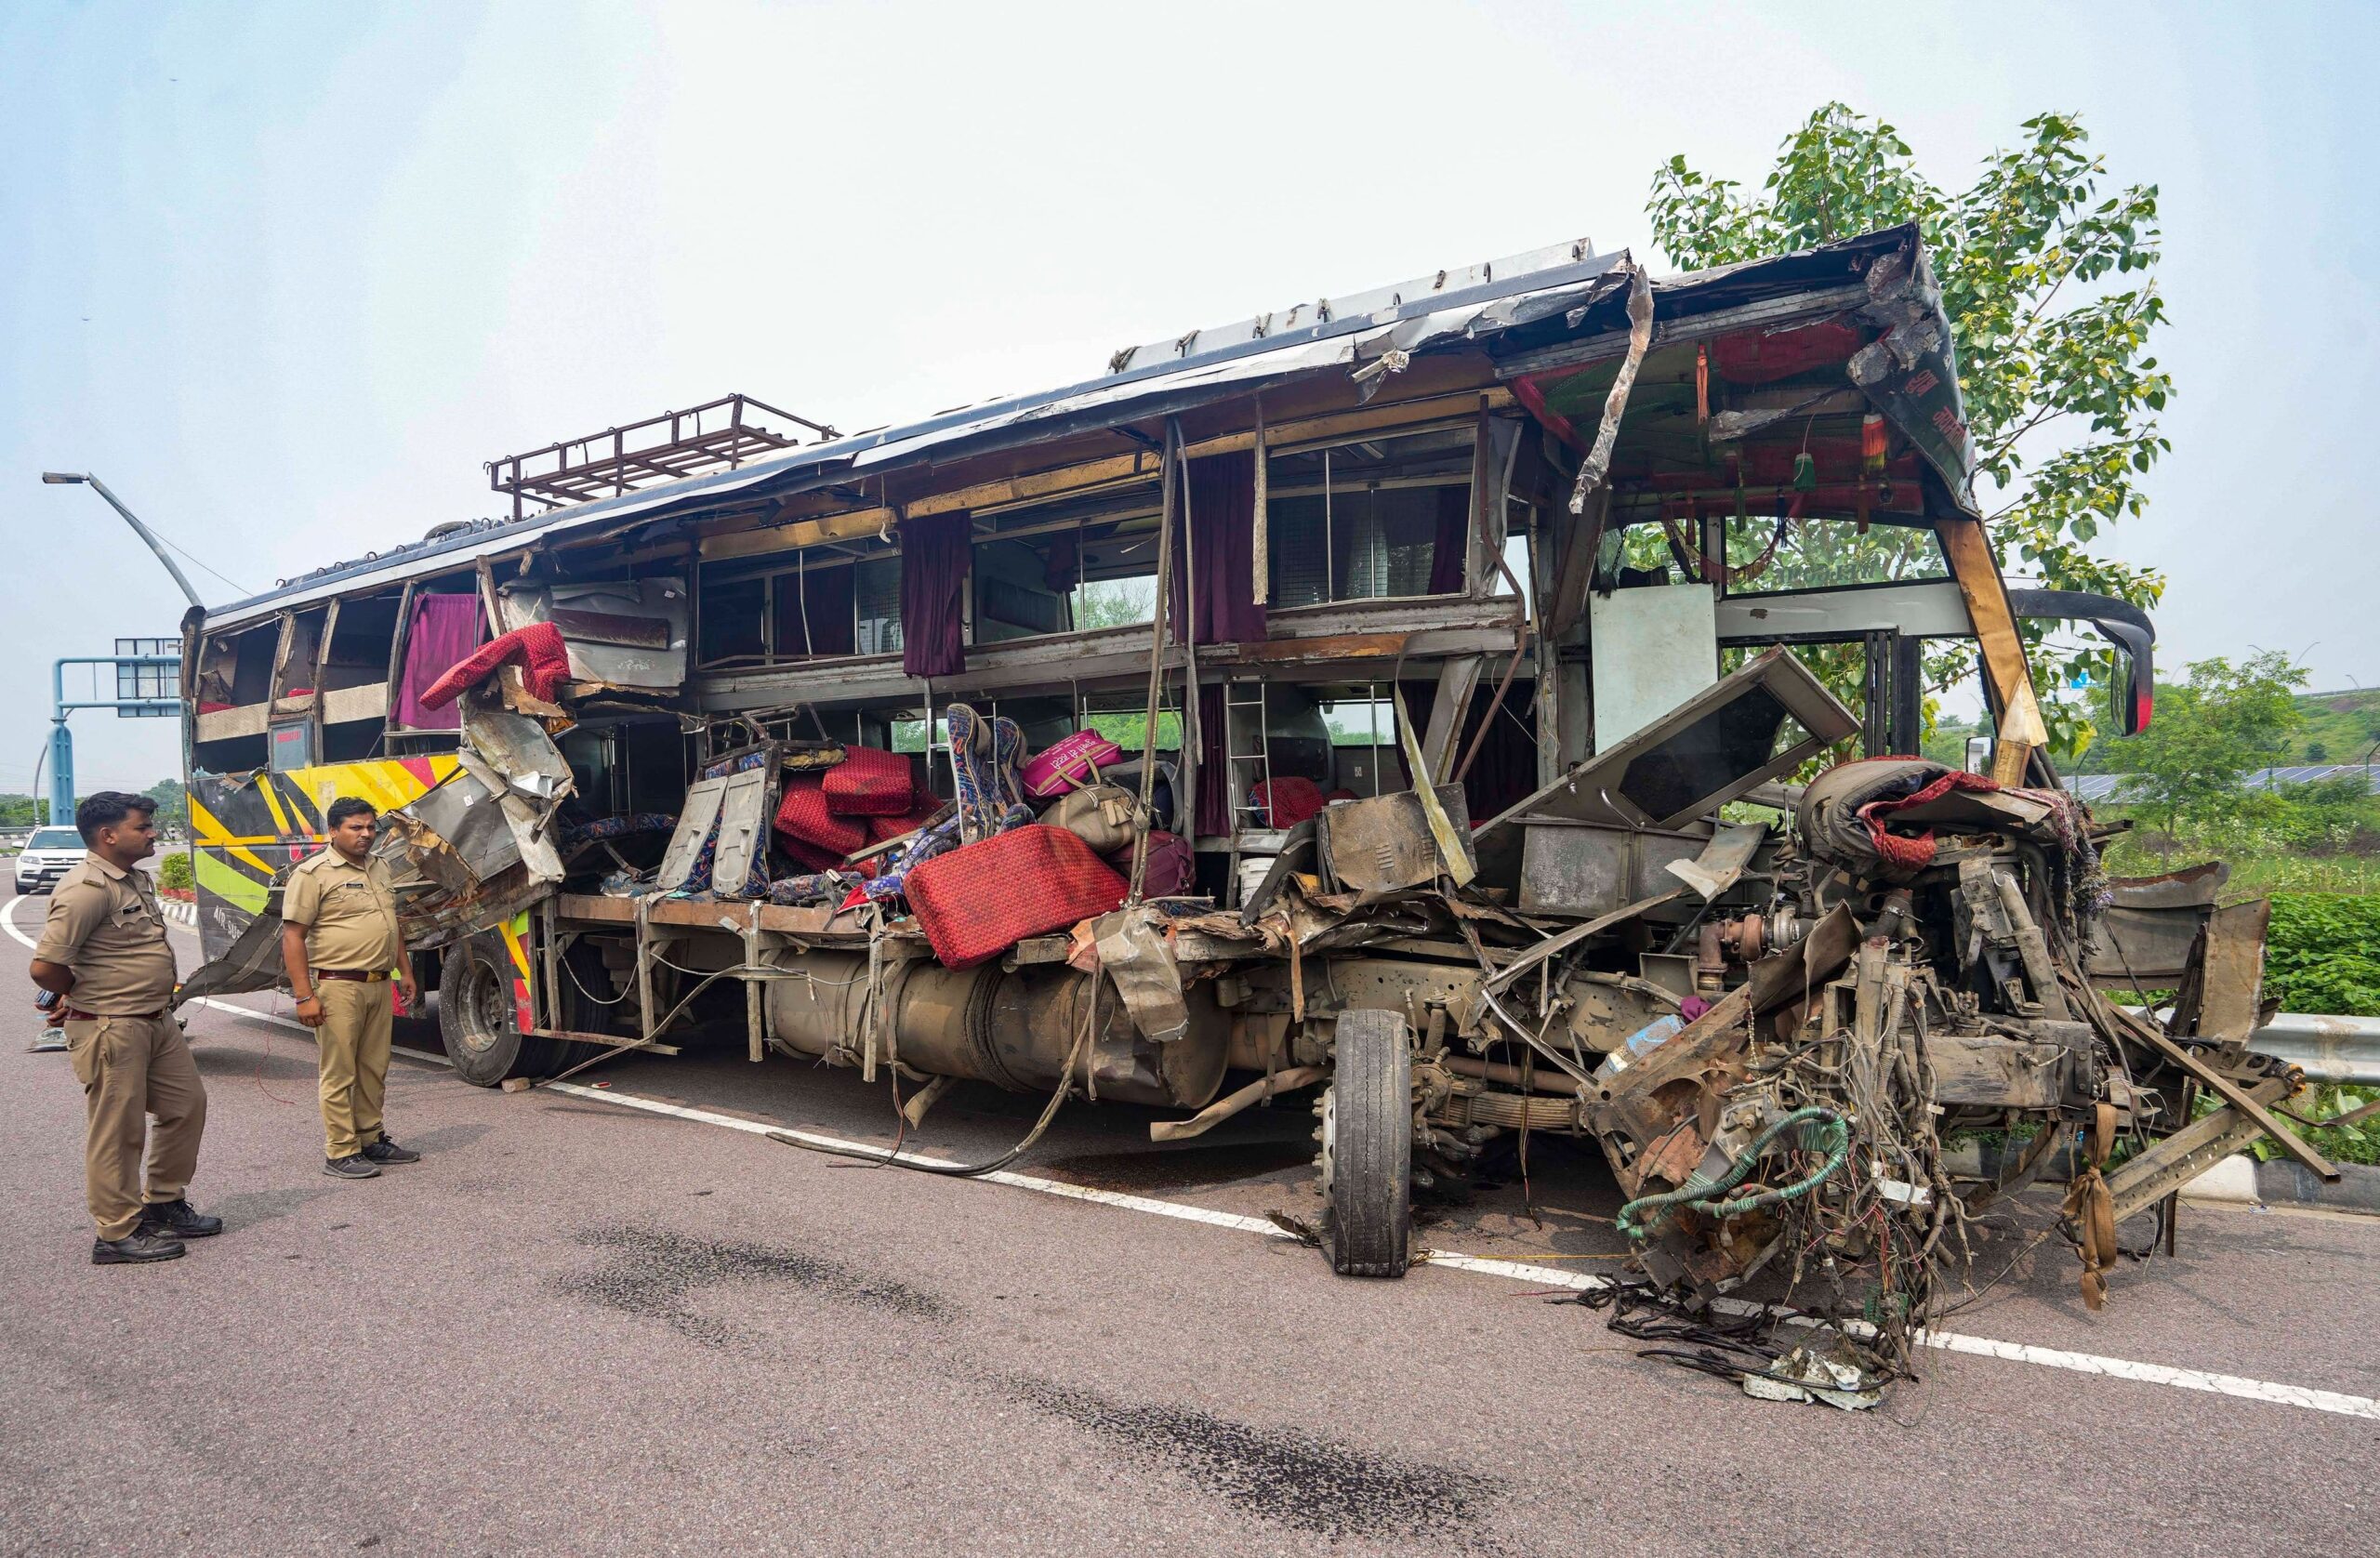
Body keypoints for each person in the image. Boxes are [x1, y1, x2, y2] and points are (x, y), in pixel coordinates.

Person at [29, 792, 220, 1264]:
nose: (153, 832)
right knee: (119, 1130)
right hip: (112, 1026)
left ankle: (163, 1203)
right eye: (143, 826)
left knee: (186, 1105)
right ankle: (116, 1233)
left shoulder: (133, 879)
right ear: (108, 835)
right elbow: (45, 967)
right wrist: (80, 994)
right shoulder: (85, 890)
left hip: (156, 1020)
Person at [280, 797, 421, 1180]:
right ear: (333, 831)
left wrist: (403, 972)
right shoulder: (313, 874)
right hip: (337, 985)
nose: (365, 834)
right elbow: (293, 937)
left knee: (374, 1068)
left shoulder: (380, 866)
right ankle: (341, 1151)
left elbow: (392, 926)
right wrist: (304, 996)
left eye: (370, 827)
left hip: (377, 984)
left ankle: (370, 1138)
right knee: (339, 1071)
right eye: (355, 827)